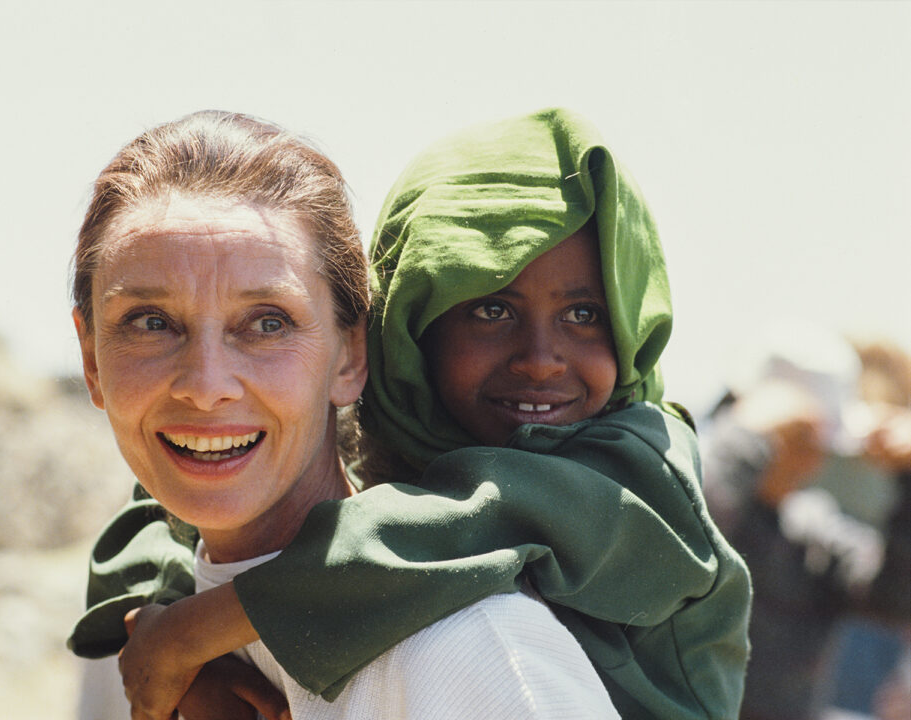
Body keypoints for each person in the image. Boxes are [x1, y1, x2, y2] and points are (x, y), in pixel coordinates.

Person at [70, 108, 752, 720]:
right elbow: (158, 515)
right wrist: (153, 625)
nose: (542, 359)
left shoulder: (627, 477)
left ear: (352, 351)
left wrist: (198, 630)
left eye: (267, 322)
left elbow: (467, 521)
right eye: (151, 322)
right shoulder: (400, 453)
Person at [700, 329, 911, 720]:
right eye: (797, 440)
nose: (811, 462)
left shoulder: (814, 531)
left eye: (820, 445)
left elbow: (896, 598)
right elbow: (692, 531)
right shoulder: (690, 490)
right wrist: (746, 433)